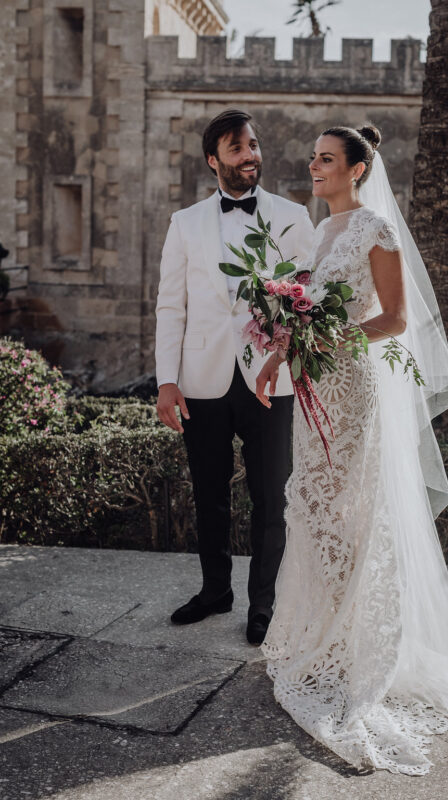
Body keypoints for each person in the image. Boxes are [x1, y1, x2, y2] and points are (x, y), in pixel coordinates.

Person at [255, 125, 448, 774]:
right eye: (314, 157)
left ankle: (355, 650)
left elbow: (394, 319)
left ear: (357, 169)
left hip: (351, 392)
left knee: (351, 514)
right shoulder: (318, 234)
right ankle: (320, 639)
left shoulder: (374, 230)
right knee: (316, 512)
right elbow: (301, 312)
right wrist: (281, 348)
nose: (314, 166)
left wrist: (330, 339)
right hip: (314, 391)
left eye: (327, 159)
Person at [155, 109, 314, 645]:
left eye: (253, 145)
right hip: (200, 379)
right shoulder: (184, 223)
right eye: (237, 148)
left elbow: (307, 297)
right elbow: (170, 307)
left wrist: (284, 354)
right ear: (213, 160)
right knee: (209, 494)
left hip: (271, 378)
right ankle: (215, 591)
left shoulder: (293, 216)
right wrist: (166, 380)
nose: (250, 155)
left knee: (271, 498)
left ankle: (263, 605)